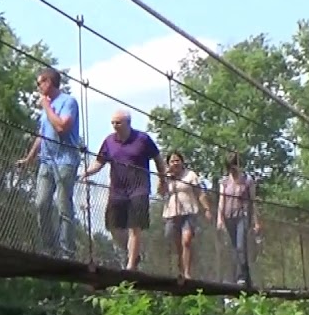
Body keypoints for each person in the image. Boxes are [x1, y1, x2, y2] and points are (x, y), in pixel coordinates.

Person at [80, 109, 166, 271]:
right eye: (112, 123)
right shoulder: (109, 141)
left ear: (128, 123)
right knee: (113, 227)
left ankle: (130, 266)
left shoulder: (143, 139)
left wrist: (162, 179)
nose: (115, 126)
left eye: (118, 123)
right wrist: (86, 173)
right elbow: (99, 162)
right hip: (117, 190)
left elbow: (158, 159)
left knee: (134, 227)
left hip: (139, 189)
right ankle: (133, 253)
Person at [16, 67, 81, 258]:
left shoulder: (68, 102)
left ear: (48, 82)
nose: (38, 87)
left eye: (39, 83)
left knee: (63, 206)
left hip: (66, 161)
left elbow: (61, 127)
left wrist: (46, 106)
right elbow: (42, 135)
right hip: (46, 161)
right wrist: (29, 159)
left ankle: (67, 251)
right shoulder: (48, 107)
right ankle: (49, 248)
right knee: (41, 203)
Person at [162, 151, 211, 281]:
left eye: (177, 160)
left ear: (182, 162)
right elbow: (161, 192)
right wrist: (164, 176)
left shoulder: (190, 175)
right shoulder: (166, 177)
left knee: (187, 240)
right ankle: (180, 270)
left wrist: (206, 209)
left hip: (189, 212)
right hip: (172, 213)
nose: (175, 163)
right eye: (172, 161)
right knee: (176, 244)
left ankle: (188, 273)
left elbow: (200, 192)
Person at [217, 151, 260, 288]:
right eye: (230, 167)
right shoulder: (224, 181)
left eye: (234, 166)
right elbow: (221, 200)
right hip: (229, 216)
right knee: (235, 248)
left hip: (243, 216)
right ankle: (246, 279)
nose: (232, 170)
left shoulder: (247, 180)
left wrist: (256, 221)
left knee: (241, 246)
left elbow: (253, 201)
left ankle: (240, 278)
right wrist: (220, 218)